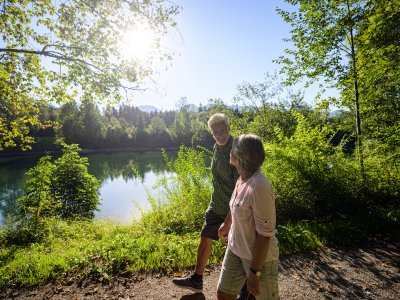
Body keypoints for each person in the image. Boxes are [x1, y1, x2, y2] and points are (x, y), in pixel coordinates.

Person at [173, 114, 253, 299]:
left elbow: (240, 187)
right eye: (215, 131)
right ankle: (196, 279)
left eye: (222, 130)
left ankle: (246, 289)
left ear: (228, 127)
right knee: (205, 237)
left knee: (236, 247)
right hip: (216, 204)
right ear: (212, 133)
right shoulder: (217, 148)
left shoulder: (236, 150)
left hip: (232, 208)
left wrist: (230, 217)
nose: (219, 134)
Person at [217, 134, 279, 300]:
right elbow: (236, 204)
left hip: (259, 260)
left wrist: (254, 273)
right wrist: (227, 224)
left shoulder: (259, 186)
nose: (230, 150)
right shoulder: (242, 178)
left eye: (233, 148)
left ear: (239, 156)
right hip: (235, 249)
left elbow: (265, 235)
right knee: (224, 295)